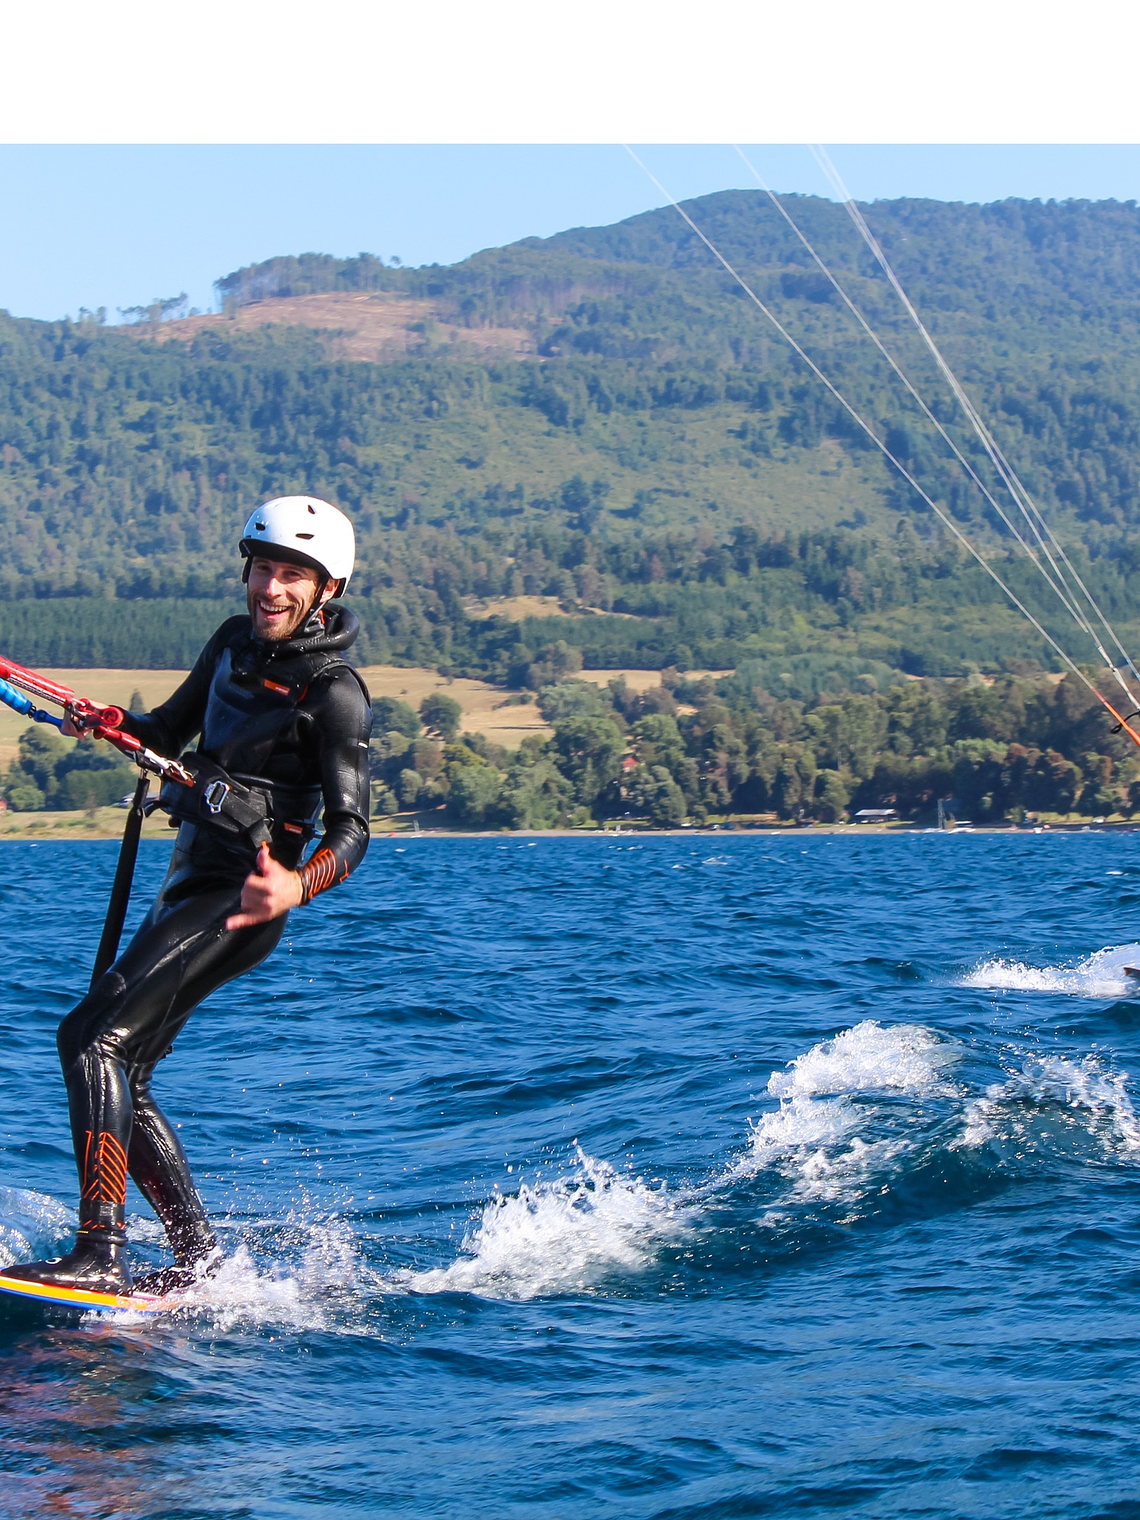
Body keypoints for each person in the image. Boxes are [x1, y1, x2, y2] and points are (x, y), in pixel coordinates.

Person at [7, 497, 372, 1295]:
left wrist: (295, 884)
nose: (271, 588)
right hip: (186, 881)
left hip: (243, 900)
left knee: (90, 1040)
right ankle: (198, 1263)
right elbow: (168, 731)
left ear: (327, 589)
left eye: (292, 575)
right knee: (123, 1067)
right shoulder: (231, 644)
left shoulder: (335, 692)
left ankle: (100, 1252)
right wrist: (110, 721)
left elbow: (353, 832)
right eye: (263, 568)